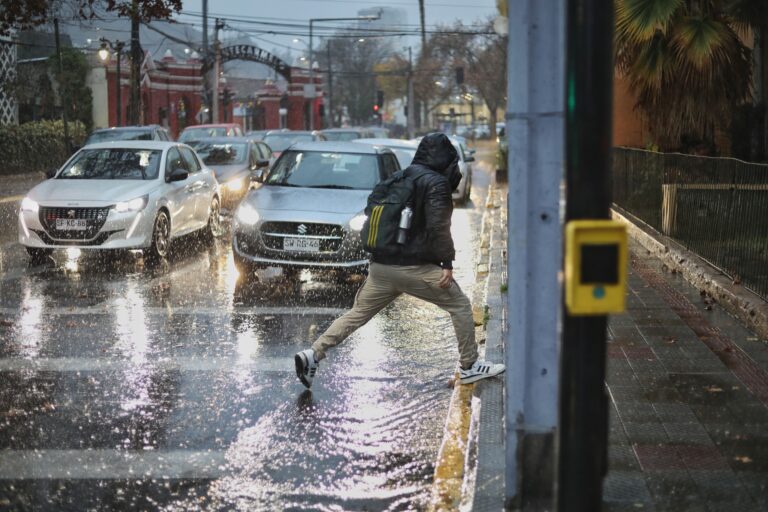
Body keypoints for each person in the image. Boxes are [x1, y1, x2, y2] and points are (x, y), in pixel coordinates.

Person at [294, 133, 505, 388]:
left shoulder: (399, 177)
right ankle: (470, 366)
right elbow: (439, 226)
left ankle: (313, 353)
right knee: (460, 305)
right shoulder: (435, 183)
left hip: (381, 268)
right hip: (413, 268)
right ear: (445, 157)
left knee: (357, 314)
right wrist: (447, 263)